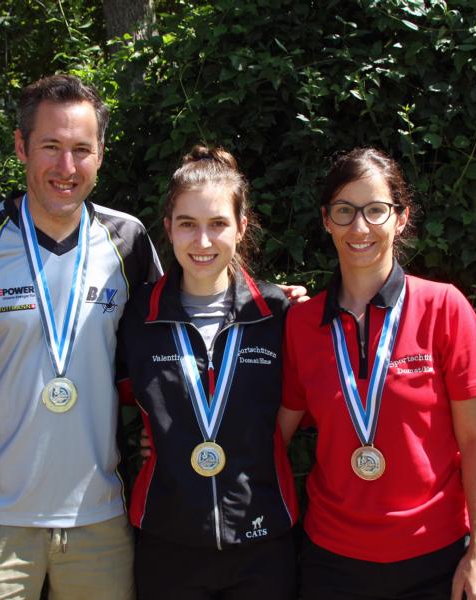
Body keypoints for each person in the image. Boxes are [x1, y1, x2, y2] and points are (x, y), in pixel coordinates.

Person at [0, 74, 161, 600]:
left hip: (100, 518)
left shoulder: (130, 240)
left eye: (81, 150)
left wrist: (270, 303)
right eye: (51, 147)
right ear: (22, 147)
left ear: (99, 156)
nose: (66, 168)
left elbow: (170, 343)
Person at [278, 147, 476, 600]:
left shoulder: (444, 307)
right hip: (332, 560)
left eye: (375, 210)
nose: (359, 227)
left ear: (400, 218)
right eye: (344, 211)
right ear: (326, 219)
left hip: (435, 558)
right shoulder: (302, 324)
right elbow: (274, 435)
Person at [116, 146, 299, 600]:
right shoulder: (135, 316)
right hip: (167, 540)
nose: (202, 242)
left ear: (241, 226)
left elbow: (302, 409)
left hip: (263, 540)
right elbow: (101, 397)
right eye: (187, 224)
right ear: (168, 229)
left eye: (217, 224)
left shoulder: (280, 314)